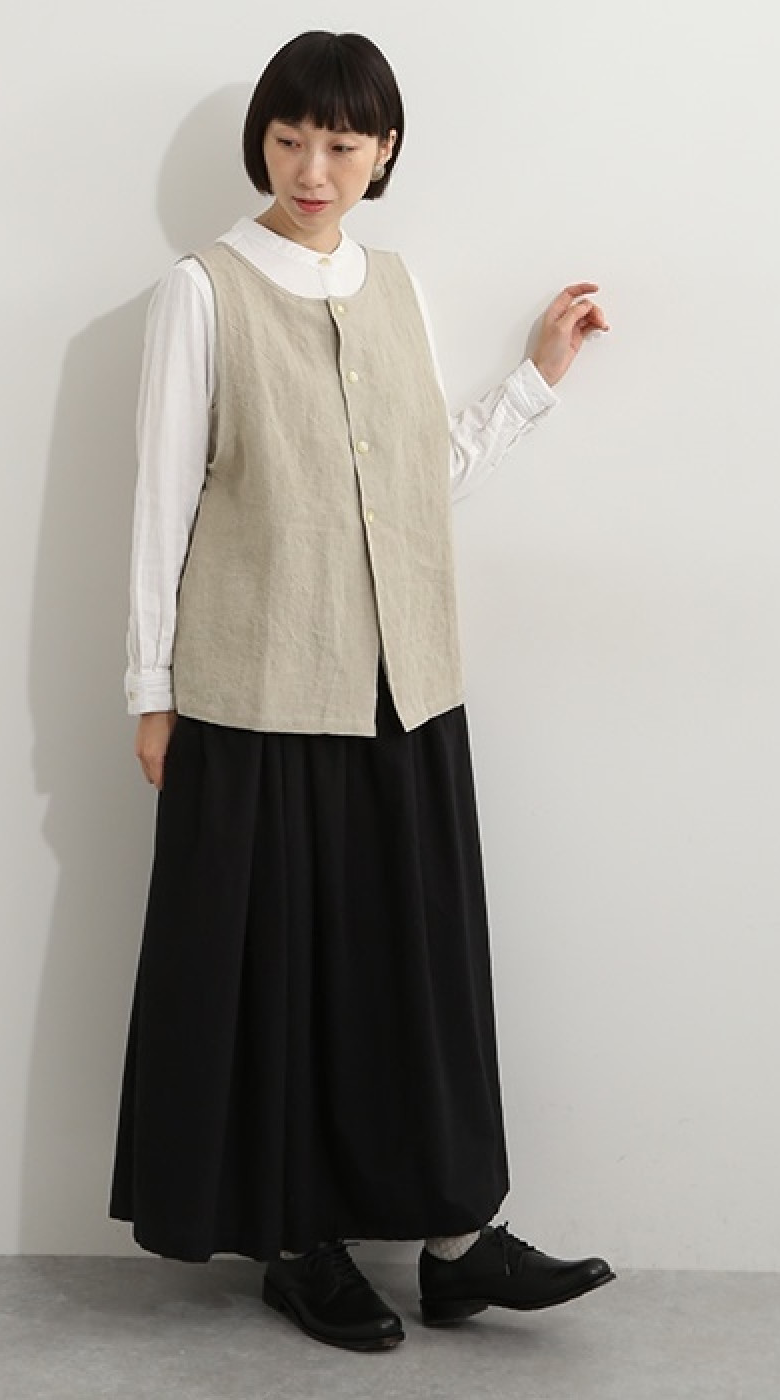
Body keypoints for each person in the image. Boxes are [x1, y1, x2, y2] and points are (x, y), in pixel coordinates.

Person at [110, 30, 614, 1353]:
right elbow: (160, 504)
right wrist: (150, 692)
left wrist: (534, 383)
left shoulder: (395, 287)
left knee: (415, 972)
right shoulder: (201, 293)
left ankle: (456, 1246)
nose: (313, 168)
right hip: (258, 691)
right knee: (283, 979)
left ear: (384, 151)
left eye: (341, 143)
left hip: (405, 691)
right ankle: (299, 1244)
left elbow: (412, 480)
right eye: (290, 140)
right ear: (263, 143)